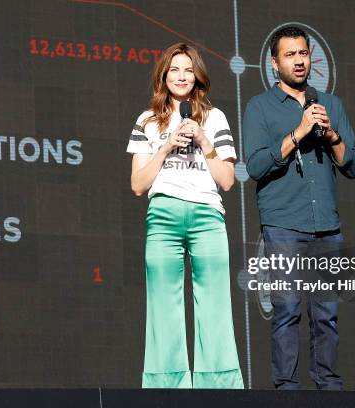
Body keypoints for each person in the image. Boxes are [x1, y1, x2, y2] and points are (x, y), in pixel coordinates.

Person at [243, 26, 355, 390]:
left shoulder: (331, 105)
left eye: (304, 54)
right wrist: (298, 133)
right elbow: (256, 166)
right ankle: (287, 390)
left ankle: (330, 388)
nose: (299, 61)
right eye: (290, 55)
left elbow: (353, 166)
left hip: (326, 225)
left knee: (327, 315)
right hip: (282, 225)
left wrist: (331, 135)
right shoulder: (260, 107)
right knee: (287, 312)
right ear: (275, 63)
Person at [126, 42, 244, 389]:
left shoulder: (216, 117)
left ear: (198, 77)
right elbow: (137, 184)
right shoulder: (147, 120)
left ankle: (220, 389)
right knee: (163, 304)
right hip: (163, 217)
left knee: (215, 304)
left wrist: (205, 141)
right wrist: (165, 146)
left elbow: (226, 181)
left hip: (207, 216)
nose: (181, 76)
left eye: (188, 70)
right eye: (174, 69)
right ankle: (166, 390)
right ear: (164, 75)